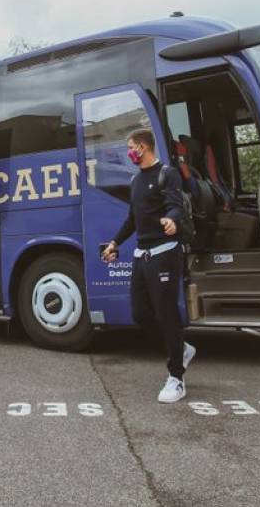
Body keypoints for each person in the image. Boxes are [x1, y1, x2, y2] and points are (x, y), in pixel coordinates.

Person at [101, 129, 196, 403]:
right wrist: (115, 243)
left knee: (166, 313)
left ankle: (176, 377)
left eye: (131, 147)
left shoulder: (167, 174)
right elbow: (133, 218)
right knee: (141, 313)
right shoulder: (135, 180)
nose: (129, 152)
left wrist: (172, 220)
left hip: (165, 252)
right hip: (141, 254)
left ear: (143, 147)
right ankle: (182, 348)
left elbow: (175, 205)